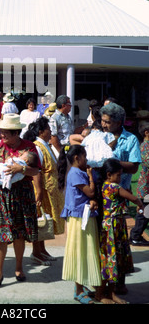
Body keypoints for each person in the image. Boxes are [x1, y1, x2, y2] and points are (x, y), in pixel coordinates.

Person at [0, 113, 42, 288]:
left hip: (21, 194)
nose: (2, 135)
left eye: (6, 133)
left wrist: (21, 168)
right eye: (2, 132)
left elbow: (36, 171)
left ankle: (18, 267)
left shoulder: (29, 147)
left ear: (16, 133)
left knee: (19, 232)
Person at [58, 144, 102, 304]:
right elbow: (90, 192)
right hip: (78, 219)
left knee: (87, 249)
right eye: (85, 156)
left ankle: (83, 286)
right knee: (80, 251)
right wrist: (90, 176)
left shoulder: (77, 172)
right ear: (77, 158)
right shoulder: (76, 173)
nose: (87, 159)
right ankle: (78, 289)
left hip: (84, 216)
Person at [97, 158, 143, 303]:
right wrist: (140, 204)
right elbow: (134, 198)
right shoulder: (114, 187)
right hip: (114, 227)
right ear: (109, 175)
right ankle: (110, 292)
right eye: (118, 175)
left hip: (110, 226)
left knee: (112, 258)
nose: (119, 178)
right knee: (113, 259)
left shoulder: (104, 185)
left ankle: (113, 289)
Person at [25, 117, 65, 265]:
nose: (51, 131)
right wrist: (39, 192)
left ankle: (42, 250)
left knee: (45, 222)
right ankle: (36, 252)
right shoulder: (37, 147)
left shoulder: (46, 145)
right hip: (43, 192)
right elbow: (36, 171)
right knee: (40, 222)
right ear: (41, 132)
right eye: (48, 129)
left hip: (50, 192)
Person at [100, 102, 141, 192]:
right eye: (102, 120)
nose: (103, 125)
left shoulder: (131, 139)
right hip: (99, 192)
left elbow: (134, 168)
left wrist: (110, 163)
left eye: (107, 122)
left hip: (121, 192)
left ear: (118, 123)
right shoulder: (98, 136)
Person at [129, 123, 149, 246]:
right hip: (146, 186)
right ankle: (135, 235)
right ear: (146, 132)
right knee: (144, 211)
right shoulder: (145, 147)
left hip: (146, 185)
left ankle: (136, 235)